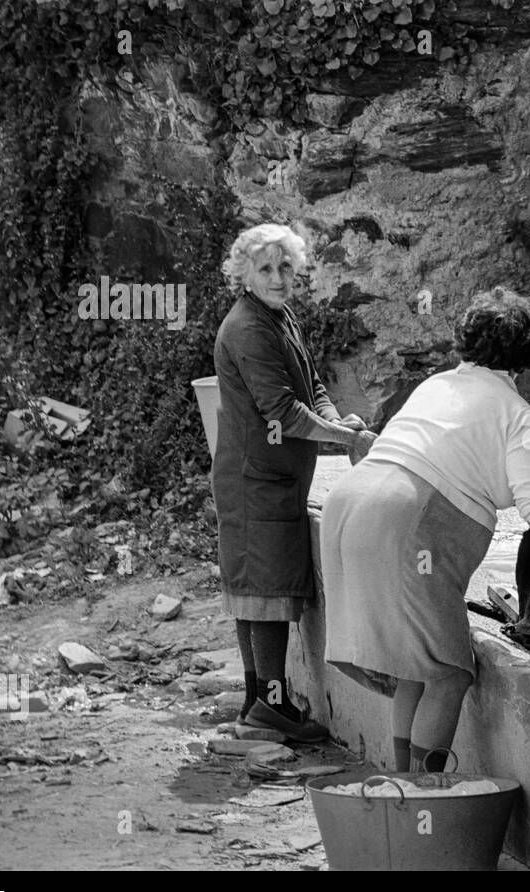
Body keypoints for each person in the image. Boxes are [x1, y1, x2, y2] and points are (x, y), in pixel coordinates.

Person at [320, 287, 530, 773]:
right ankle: (425, 797)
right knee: (450, 673)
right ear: (528, 358)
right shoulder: (518, 416)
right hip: (407, 521)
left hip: (347, 504)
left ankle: (403, 787)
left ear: (467, 341)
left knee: (417, 665)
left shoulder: (436, 384)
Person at [212, 223, 375, 742]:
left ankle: (259, 705)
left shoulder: (277, 315)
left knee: (257, 589)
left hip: (271, 475)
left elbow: (312, 385)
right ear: (244, 275)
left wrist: (339, 421)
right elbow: (282, 410)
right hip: (255, 478)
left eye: (286, 267)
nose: (279, 277)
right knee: (265, 592)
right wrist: (345, 441)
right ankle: (269, 708)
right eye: (266, 269)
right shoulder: (247, 328)